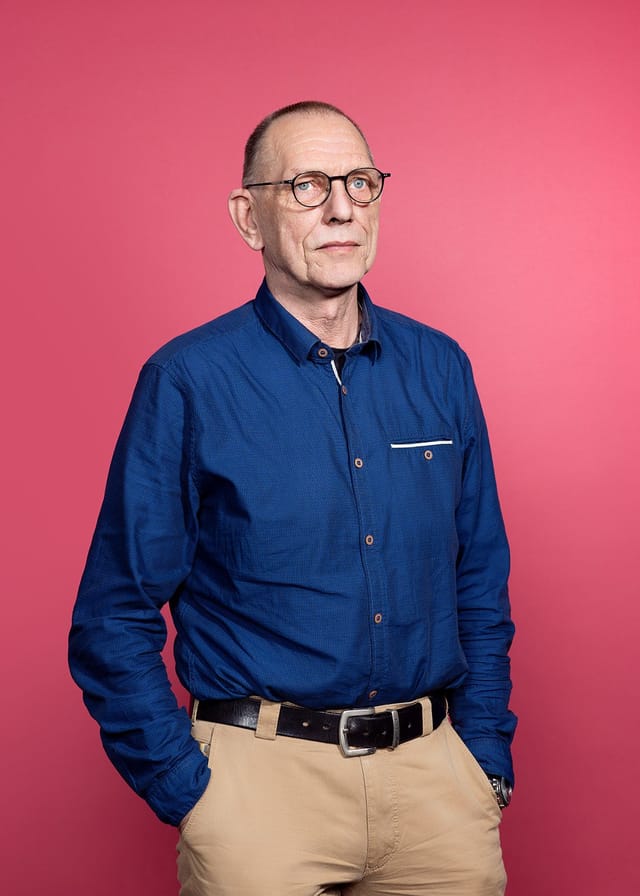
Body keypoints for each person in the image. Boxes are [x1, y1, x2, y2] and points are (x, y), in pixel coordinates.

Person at [69, 100, 516, 895]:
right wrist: (189, 792)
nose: (342, 208)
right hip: (258, 796)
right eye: (307, 185)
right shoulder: (187, 381)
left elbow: (478, 580)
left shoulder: (441, 367)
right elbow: (113, 614)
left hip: (437, 788)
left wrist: (483, 755)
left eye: (359, 182)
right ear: (250, 218)